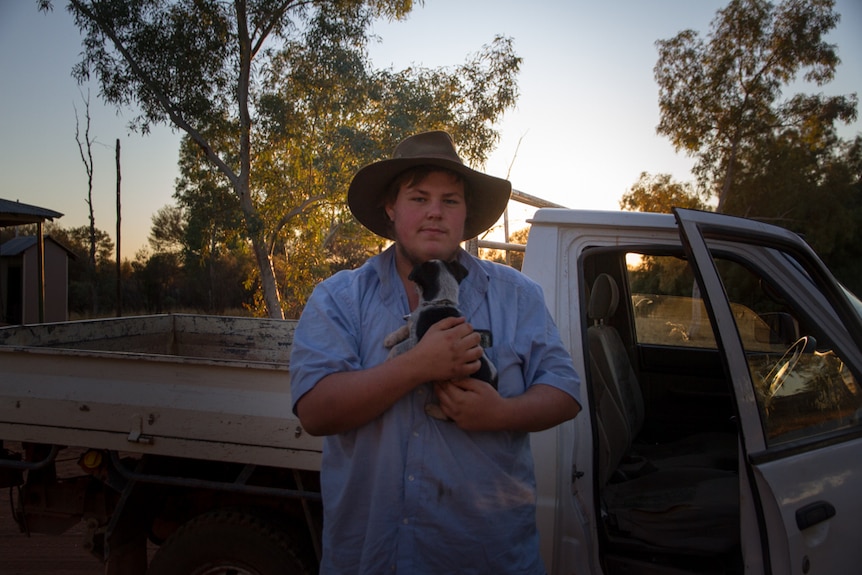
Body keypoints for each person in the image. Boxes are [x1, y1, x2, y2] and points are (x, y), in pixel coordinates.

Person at [290, 130, 581, 574]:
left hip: (489, 561)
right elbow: (314, 413)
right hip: (370, 559)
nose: (434, 213)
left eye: (450, 201)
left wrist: (499, 414)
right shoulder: (339, 298)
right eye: (418, 198)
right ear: (391, 209)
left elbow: (564, 391)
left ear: (466, 215)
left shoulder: (517, 296)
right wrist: (416, 365)